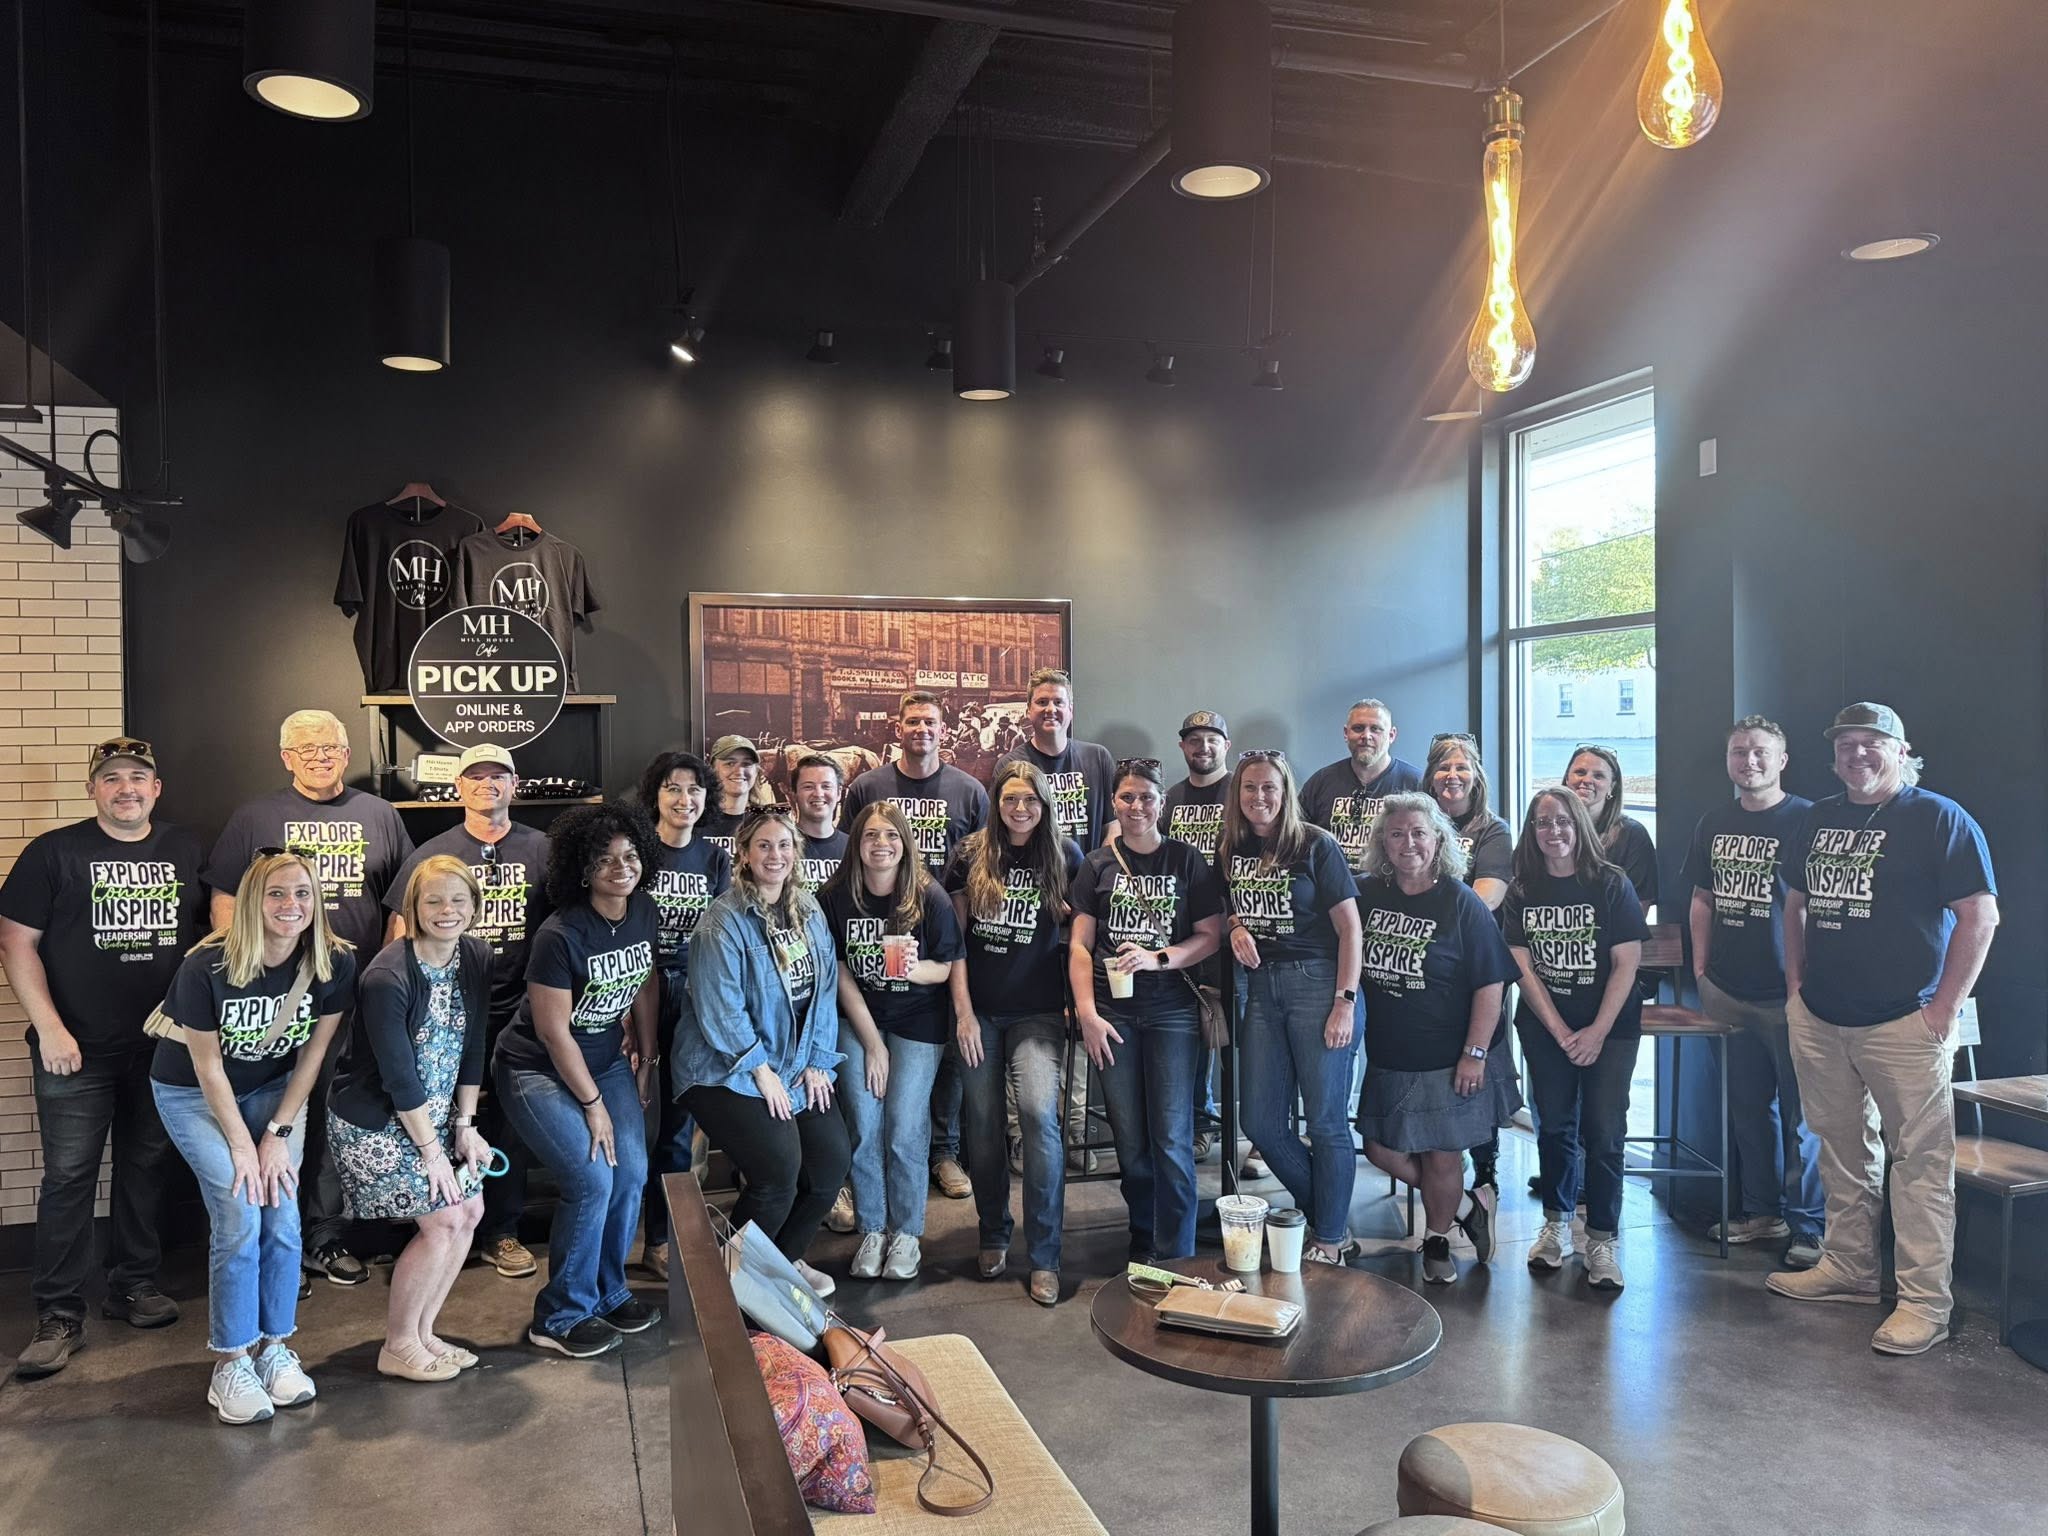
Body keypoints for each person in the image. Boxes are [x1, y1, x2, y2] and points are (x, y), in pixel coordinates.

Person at [1768, 702, 1998, 1357]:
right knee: (1843, 1152)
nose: (1857, 754)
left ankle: (1924, 1303)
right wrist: (1796, 990)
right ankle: (1850, 1269)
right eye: (1846, 744)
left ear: (1902, 751)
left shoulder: (1939, 818)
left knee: (1921, 1166)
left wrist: (1943, 1010)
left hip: (1904, 1022)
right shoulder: (1817, 817)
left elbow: (1980, 917)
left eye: (1871, 742)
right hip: (1822, 1017)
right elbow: (1794, 903)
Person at [1, 737, 208, 1377]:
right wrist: (50, 1029)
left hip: (160, 1049)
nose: (126, 789)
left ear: (156, 788)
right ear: (92, 788)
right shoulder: (53, 852)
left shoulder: (185, 848)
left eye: (138, 777)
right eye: (112, 778)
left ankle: (132, 1285)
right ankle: (59, 1313)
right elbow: (14, 943)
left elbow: (215, 935)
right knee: (69, 1177)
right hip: (75, 1051)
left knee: (146, 1166)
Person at [204, 708, 411, 1287]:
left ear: (346, 754)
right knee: (277, 1117)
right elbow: (225, 900)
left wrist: (384, 979)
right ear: (285, 758)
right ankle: (278, 1247)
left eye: (330, 748)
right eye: (306, 749)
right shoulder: (254, 817)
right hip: (273, 1003)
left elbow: (401, 903)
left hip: (352, 998)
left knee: (330, 1115)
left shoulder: (381, 814)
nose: (320, 757)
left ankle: (322, 1236)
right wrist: (245, 979)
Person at [149, 852, 355, 1423]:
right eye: (277, 894)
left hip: (273, 1092)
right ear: (251, 902)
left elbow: (314, 1055)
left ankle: (274, 1349)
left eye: (303, 893)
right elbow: (207, 1068)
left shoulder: (333, 961)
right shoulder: (208, 964)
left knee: (282, 1213)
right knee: (240, 1210)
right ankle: (231, 1361)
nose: (292, 905)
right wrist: (244, 1145)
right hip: (192, 1094)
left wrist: (277, 1134)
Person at [491, 802, 662, 1358]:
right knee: (591, 1180)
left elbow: (645, 980)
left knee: (631, 1172)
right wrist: (593, 1104)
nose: (621, 867)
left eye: (630, 855)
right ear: (582, 869)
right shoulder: (559, 934)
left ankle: (608, 1291)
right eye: (604, 859)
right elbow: (552, 1031)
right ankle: (560, 1315)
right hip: (535, 1069)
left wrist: (647, 1057)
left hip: (607, 1061)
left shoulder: (642, 911)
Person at [384, 743, 551, 1282]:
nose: (487, 784)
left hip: (522, 1011)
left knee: (510, 1124)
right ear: (458, 787)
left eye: (498, 775)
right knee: (440, 1118)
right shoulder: (433, 853)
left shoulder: (544, 850)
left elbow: (567, 928)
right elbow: (399, 932)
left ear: (514, 785)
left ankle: (501, 1232)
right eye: (475, 776)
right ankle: (437, 1228)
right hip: (447, 1012)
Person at [676, 803, 850, 1299]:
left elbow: (824, 991)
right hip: (722, 1069)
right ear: (745, 854)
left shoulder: (809, 909)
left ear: (797, 851)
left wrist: (817, 1059)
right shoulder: (723, 921)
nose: (775, 855)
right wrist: (760, 1069)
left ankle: (781, 1265)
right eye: (764, 846)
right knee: (777, 1173)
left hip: (793, 1061)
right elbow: (720, 1008)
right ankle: (722, 1285)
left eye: (784, 845)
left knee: (830, 1164)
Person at [329, 856, 492, 1381]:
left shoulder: (475, 955)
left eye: (458, 900)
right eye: (433, 900)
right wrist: (432, 1153)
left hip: (436, 1115)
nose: (447, 910)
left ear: (474, 905)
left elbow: (474, 1045)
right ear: (412, 908)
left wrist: (466, 1126)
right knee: (443, 1220)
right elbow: (399, 1078)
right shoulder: (387, 976)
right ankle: (398, 1344)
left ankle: (424, 1334)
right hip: (375, 1123)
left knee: (470, 1212)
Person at [1355, 794, 1522, 1285]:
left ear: (1439, 840)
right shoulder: (1367, 894)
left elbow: (1491, 984)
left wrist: (1474, 1054)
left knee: (1442, 1155)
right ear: (1383, 843)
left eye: (1419, 833)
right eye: (1397, 834)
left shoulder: (1461, 901)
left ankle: (1437, 1242)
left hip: (1449, 1055)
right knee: (1379, 1149)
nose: (1408, 843)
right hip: (1390, 1052)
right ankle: (1469, 1206)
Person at [1069, 759, 1224, 1261]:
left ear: (1162, 803)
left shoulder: (1186, 860)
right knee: (1131, 1139)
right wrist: (1088, 1015)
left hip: (1172, 1013)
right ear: (1114, 803)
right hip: (1111, 1015)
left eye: (1147, 798)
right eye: (1127, 797)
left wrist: (1158, 958)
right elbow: (1080, 947)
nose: (1137, 806)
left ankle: (1176, 1250)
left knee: (1172, 1136)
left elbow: (1210, 936)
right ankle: (1143, 1237)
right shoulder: (1096, 865)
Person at [1681, 716, 1822, 1268]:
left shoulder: (1808, 819)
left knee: (1802, 1118)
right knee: (1748, 1111)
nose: (1750, 761)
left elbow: (1817, 907)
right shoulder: (1713, 822)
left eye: (1761, 752)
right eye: (1739, 752)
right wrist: (1701, 971)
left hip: (1790, 996)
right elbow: (1702, 899)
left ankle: (1809, 1226)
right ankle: (1763, 1212)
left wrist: (1804, 983)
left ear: (1782, 759)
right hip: (1728, 991)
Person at [946, 762, 1084, 1306]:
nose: (1020, 809)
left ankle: (1045, 1255)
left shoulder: (1065, 855)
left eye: (1029, 799)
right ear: (995, 803)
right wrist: (962, 1013)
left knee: (1037, 1114)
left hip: (1039, 1013)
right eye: (1009, 799)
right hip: (979, 1012)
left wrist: (1077, 1000)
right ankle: (993, 1232)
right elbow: (954, 944)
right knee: (981, 1127)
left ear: (1044, 803)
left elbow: (1080, 934)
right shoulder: (970, 854)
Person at [1219, 751, 1362, 1264]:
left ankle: (1330, 1238)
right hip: (1261, 988)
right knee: (1259, 1122)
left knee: (1325, 1123)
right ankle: (1328, 1214)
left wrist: (1345, 1002)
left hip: (1318, 985)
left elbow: (1351, 929)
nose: (1259, 796)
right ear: (1237, 793)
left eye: (1269, 788)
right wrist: (1236, 925)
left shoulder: (1315, 844)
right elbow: (1229, 902)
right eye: (1250, 787)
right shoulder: (1231, 846)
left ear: (1286, 793)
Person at [1504, 787, 1646, 1291]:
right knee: (1555, 1126)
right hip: (1547, 1028)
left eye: (1563, 821)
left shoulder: (1611, 883)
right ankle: (1556, 1224)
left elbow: (1627, 962)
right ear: (1532, 831)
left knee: (1605, 1132)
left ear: (1579, 826)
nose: (1554, 831)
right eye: (1543, 822)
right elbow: (1522, 969)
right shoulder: (1522, 888)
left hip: (1612, 1028)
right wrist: (1562, 1032)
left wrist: (1596, 1032)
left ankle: (1602, 1238)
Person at [820, 802, 963, 1281]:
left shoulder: (929, 896)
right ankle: (872, 1229)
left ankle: (906, 1233)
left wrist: (911, 969)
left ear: (905, 844)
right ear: (856, 844)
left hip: (918, 1021)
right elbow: (840, 972)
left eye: (891, 836)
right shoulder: (836, 896)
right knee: (864, 1124)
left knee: (903, 1127)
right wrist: (872, 1044)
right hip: (859, 1020)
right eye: (870, 835)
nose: (881, 844)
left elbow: (945, 967)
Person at [636, 750, 732, 1280]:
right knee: (631, 1124)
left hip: (694, 997)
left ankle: (661, 1240)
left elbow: (722, 934)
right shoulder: (637, 852)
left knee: (678, 1125)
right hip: (633, 992)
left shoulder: (714, 859)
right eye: (673, 787)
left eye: (695, 789)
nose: (684, 799)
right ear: (656, 794)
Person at [1425, 732, 1514, 1210]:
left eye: (1462, 767)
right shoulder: (1419, 822)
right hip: (1425, 970)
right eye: (1444, 767)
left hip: (1476, 968)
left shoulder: (1492, 830)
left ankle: (1485, 1171)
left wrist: (1430, 916)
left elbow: (1487, 897)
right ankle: (1440, 1167)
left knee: (1481, 1065)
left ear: (1477, 776)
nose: (1452, 776)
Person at [1163, 710, 1230, 1163]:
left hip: (1234, 929)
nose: (1203, 747)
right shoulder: (1169, 798)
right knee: (1191, 1028)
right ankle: (1197, 1121)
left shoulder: (1242, 791)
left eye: (1212, 739)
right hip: (1184, 931)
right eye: (1194, 740)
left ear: (1226, 745)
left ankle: (1247, 1131)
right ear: (1182, 746)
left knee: (1235, 1034)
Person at [840, 691, 991, 872]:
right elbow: (846, 856)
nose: (922, 729)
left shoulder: (971, 792)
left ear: (942, 731)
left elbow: (982, 866)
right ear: (898, 730)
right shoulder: (866, 788)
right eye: (913, 722)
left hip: (947, 892)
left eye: (930, 722)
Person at [993, 668, 1118, 850]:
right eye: (1042, 702)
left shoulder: (1098, 758)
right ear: (1028, 711)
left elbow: (1114, 824)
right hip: (1034, 868)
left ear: (1070, 710)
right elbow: (999, 831)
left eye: (1058, 702)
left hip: (1088, 868)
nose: (1051, 709)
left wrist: (1100, 864)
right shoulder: (1009, 765)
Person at [1298, 698, 1424, 872]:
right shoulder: (1321, 782)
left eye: (1376, 729)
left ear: (1391, 735)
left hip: (1390, 885)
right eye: (1358, 728)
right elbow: (1295, 837)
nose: (1366, 736)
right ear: (1346, 733)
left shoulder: (1415, 784)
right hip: (1329, 885)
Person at [1564, 743, 1658, 915]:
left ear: (1612, 786)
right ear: (1567, 780)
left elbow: (1638, 907)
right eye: (1580, 772)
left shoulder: (1633, 835)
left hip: (1612, 931)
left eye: (1598, 776)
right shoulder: (1547, 831)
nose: (1587, 780)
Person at [698, 735, 774, 854]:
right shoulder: (695, 820)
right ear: (712, 769)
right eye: (730, 763)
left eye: (746, 764)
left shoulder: (768, 823)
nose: (739, 771)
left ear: (756, 771)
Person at [792, 754, 850, 888]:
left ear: (839, 793)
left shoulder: (853, 848)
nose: (818, 794)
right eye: (808, 787)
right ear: (794, 794)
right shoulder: (780, 846)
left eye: (826, 786)